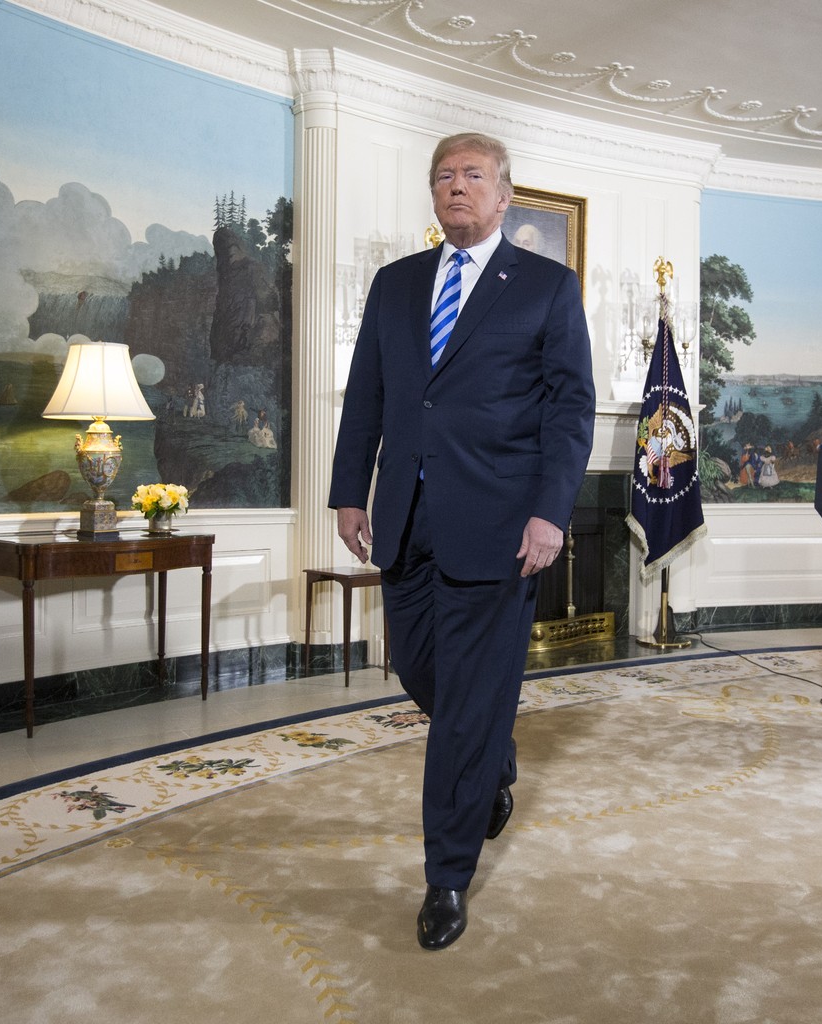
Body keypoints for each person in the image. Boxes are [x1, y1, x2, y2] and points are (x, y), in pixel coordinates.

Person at [328, 132, 596, 951]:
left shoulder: (547, 288)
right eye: (443, 176)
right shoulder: (395, 284)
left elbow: (568, 410)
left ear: (504, 194)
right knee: (419, 669)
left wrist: (552, 512)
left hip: (501, 526)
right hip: (406, 522)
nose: (456, 187)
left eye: (473, 176)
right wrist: (348, 492)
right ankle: (494, 756)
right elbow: (366, 397)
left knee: (458, 722)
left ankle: (446, 876)